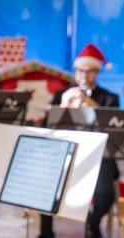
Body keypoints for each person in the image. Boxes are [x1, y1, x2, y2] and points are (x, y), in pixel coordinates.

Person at [39, 44, 119, 238]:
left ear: (97, 72)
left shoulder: (109, 98)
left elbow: (115, 132)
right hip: (63, 154)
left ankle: (94, 222)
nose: (84, 75)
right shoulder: (61, 95)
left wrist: (92, 106)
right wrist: (63, 106)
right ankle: (46, 232)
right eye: (80, 71)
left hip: (99, 158)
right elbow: (44, 131)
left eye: (89, 72)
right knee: (43, 186)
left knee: (105, 194)